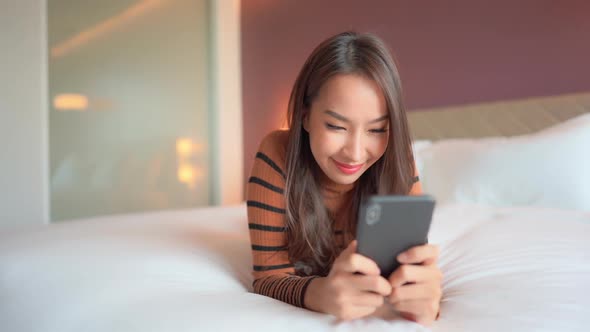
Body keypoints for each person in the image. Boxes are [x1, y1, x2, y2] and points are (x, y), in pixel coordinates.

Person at [246, 31, 442, 325]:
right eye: (336, 126)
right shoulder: (277, 154)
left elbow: (411, 274)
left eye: (377, 130)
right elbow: (268, 276)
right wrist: (320, 293)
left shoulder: (399, 159)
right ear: (305, 116)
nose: (355, 153)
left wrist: (425, 304)